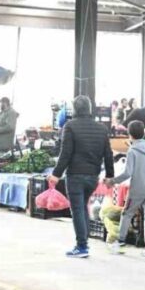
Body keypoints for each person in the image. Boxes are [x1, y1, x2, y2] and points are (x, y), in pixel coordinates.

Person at [49, 96, 114, 259]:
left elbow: (65, 154)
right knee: (82, 207)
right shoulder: (101, 128)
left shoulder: (70, 127)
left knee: (78, 209)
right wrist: (110, 175)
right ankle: (84, 241)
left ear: (75, 109)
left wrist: (56, 174)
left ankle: (82, 245)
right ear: (90, 109)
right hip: (93, 176)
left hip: (75, 175)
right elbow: (108, 154)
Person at [107, 120, 145, 258]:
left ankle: (120, 244)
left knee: (127, 214)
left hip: (137, 190)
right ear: (143, 134)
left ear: (130, 134)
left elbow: (127, 173)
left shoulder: (132, 151)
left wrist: (112, 181)